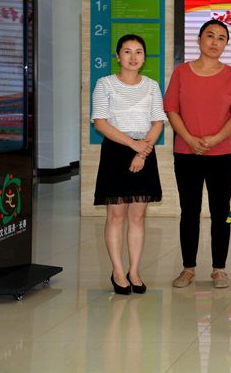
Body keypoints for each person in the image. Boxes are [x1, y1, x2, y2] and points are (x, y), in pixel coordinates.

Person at [165, 19, 231, 289]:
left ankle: (219, 269)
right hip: (186, 153)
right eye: (210, 36)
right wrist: (189, 139)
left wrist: (215, 139)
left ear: (226, 44)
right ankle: (188, 268)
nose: (215, 42)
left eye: (221, 38)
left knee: (220, 212)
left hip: (222, 154)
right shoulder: (181, 72)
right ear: (199, 40)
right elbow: (171, 109)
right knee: (189, 211)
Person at [91, 34, 166, 295]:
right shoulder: (105, 84)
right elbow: (100, 123)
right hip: (116, 151)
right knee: (116, 215)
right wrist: (133, 146)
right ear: (117, 56)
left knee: (138, 216)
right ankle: (118, 271)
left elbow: (158, 122)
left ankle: (134, 271)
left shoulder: (152, 86)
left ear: (144, 57)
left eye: (138, 52)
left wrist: (142, 152)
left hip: (145, 150)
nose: (133, 57)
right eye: (127, 51)